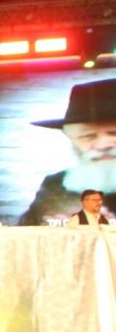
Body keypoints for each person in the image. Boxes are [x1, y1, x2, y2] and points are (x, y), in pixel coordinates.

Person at [20, 78, 116, 225]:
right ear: (72, 140)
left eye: (114, 133)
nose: (103, 145)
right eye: (88, 136)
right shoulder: (56, 184)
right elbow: (26, 232)